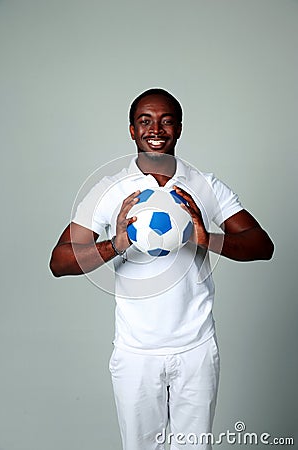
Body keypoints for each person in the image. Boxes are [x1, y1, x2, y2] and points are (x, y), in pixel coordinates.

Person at [50, 88, 274, 450]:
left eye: (166, 121)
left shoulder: (204, 185)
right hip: (136, 353)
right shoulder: (109, 190)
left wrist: (207, 239)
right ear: (131, 130)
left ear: (180, 129)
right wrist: (116, 244)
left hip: (196, 350)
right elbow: (59, 261)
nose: (156, 129)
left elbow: (262, 245)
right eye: (145, 121)